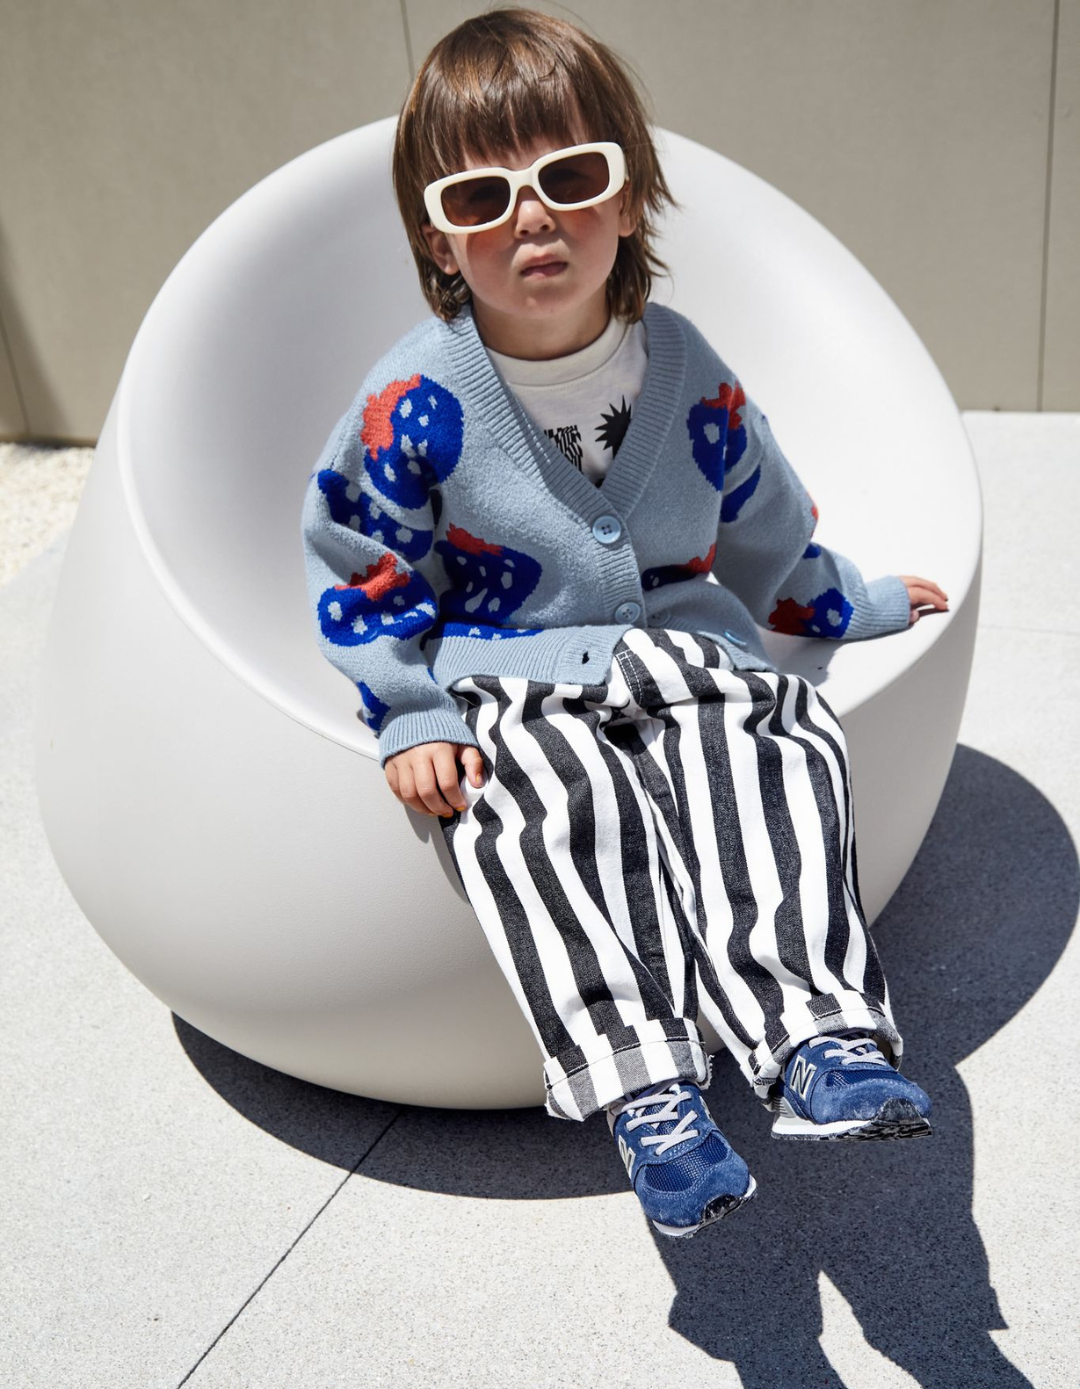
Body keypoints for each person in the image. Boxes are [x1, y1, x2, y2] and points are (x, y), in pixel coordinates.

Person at [301, 8, 948, 1239]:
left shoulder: (685, 364)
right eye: (483, 198)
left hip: (686, 638)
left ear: (630, 195)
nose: (533, 218)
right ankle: (645, 1090)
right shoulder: (416, 399)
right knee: (526, 814)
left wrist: (838, 600)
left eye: (570, 178)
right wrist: (411, 709)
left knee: (774, 737)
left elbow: (760, 510)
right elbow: (360, 556)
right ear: (441, 235)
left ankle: (816, 1033)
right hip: (508, 668)